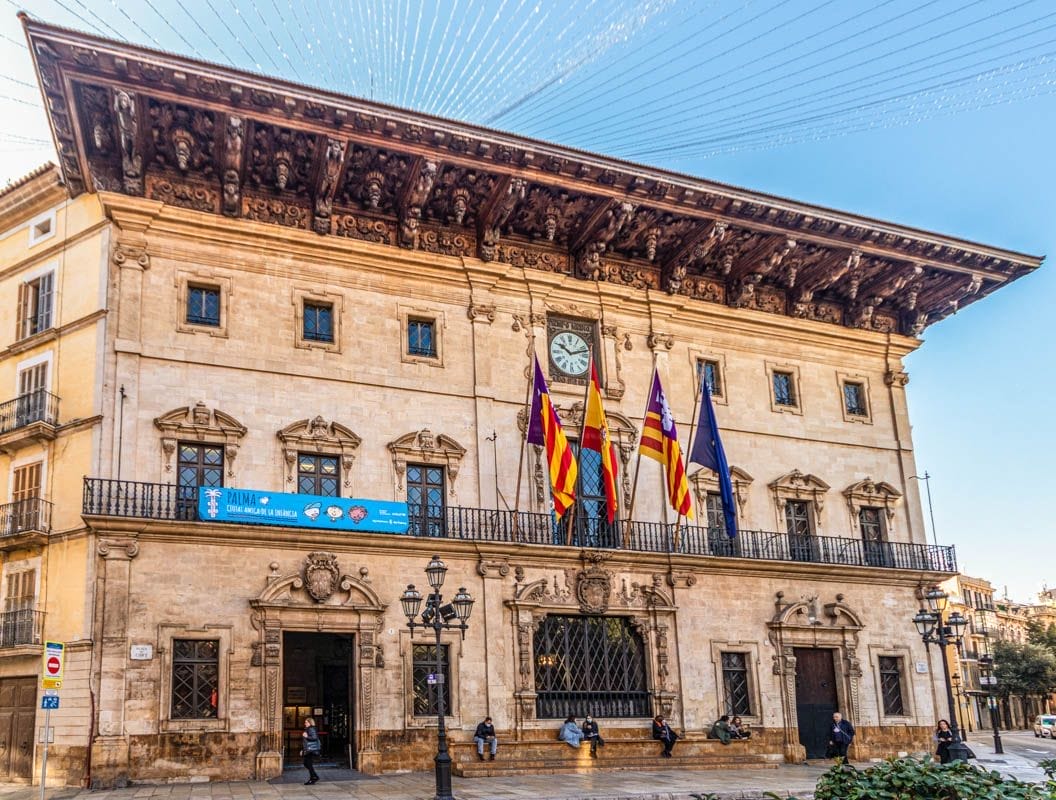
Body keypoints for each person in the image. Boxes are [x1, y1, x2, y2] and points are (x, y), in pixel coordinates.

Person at [301, 717, 320, 785]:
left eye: (306, 722)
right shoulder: (308, 729)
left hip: (310, 749)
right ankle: (314, 776)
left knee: (307, 763)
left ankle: (313, 777)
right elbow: (305, 742)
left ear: (310, 722)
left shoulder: (311, 728)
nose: (304, 723)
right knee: (307, 763)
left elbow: (314, 738)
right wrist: (302, 749)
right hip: (308, 749)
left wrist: (306, 736)